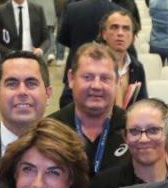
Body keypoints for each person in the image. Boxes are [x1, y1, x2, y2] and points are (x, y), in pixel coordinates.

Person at [77, 98, 168, 188]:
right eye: (134, 131)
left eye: (153, 130)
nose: (143, 139)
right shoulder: (102, 186)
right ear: (125, 137)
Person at [47, 43, 128, 175]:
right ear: (71, 78)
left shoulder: (133, 130)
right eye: (87, 77)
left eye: (105, 78)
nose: (96, 85)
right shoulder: (50, 130)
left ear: (117, 81)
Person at [0, 51, 51, 171]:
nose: (22, 92)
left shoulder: (70, 150)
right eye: (12, 84)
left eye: (31, 83)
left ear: (48, 94)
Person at [96, 11, 148, 108]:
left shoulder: (137, 67)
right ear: (104, 34)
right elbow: (67, 100)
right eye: (114, 27)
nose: (120, 33)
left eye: (126, 29)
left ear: (133, 37)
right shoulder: (91, 63)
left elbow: (143, 103)